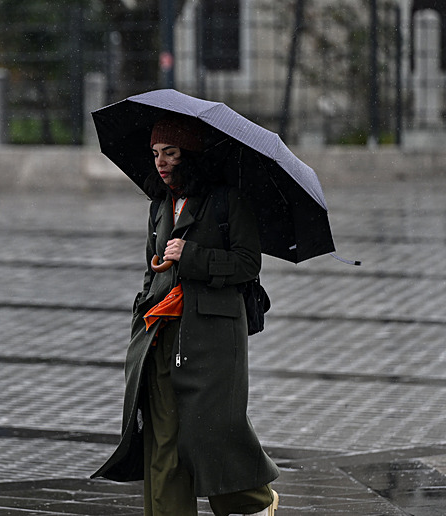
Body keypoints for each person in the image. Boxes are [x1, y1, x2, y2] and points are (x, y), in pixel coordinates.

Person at [92, 115, 279, 515]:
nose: (161, 163)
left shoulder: (228, 200)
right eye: (156, 154)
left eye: (170, 153)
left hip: (213, 335)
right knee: (163, 438)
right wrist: (143, 310)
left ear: (190, 154)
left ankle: (254, 501)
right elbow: (150, 267)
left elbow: (247, 264)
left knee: (212, 433)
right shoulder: (160, 204)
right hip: (160, 332)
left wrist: (191, 256)